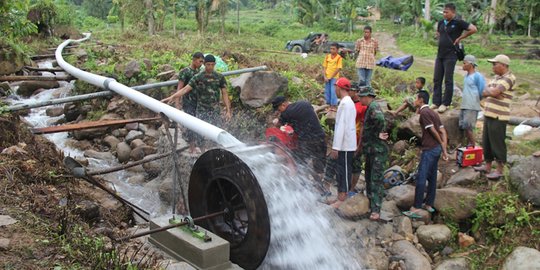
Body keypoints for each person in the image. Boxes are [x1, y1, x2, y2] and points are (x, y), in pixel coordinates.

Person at [162, 54, 232, 147]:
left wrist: (228, 110)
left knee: (216, 132)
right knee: (200, 134)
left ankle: (214, 151)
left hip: (215, 110)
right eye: (208, 64)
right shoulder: (198, 77)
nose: (210, 67)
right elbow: (185, 89)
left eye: (212, 64)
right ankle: (202, 152)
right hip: (201, 110)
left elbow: (224, 93)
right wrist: (173, 97)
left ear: (214, 64)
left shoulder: (219, 77)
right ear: (204, 64)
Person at [403, 90, 448, 219]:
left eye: (416, 98)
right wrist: (443, 148)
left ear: (421, 100)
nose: (415, 101)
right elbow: (443, 131)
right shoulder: (433, 112)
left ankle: (416, 207)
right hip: (436, 149)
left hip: (430, 148)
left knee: (421, 177)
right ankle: (428, 204)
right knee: (432, 176)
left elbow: (432, 130)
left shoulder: (424, 113)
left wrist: (440, 144)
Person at [473, 54, 516, 180]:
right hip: (489, 113)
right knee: (486, 141)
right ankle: (487, 165)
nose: (492, 67)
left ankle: (499, 170)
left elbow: (492, 92)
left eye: (494, 64)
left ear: (503, 65)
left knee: (497, 142)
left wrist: (492, 92)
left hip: (499, 115)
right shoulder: (496, 78)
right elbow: (484, 91)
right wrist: (494, 93)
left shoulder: (509, 78)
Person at [432, 3, 477, 113]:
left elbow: (473, 29)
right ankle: (436, 102)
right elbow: (438, 33)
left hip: (451, 55)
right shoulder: (441, 23)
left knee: (448, 79)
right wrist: (439, 38)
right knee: (437, 79)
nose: (444, 14)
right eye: (444, 12)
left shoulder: (458, 22)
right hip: (440, 54)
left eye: (447, 12)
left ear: (453, 12)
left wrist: (460, 38)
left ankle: (445, 103)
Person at [272, 96, 327, 183]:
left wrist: (276, 122)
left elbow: (279, 126)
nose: (279, 112)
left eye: (278, 110)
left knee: (300, 162)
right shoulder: (304, 103)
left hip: (307, 141)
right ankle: (320, 188)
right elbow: (314, 116)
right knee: (319, 167)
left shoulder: (286, 113)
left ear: (283, 105)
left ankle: (302, 185)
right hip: (320, 138)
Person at [358, 86, 388, 221]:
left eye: (361, 97)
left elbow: (381, 119)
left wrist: (377, 134)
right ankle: (370, 201)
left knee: (375, 179)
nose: (360, 99)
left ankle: (376, 209)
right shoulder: (370, 107)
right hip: (371, 150)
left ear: (367, 96)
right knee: (369, 175)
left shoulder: (374, 107)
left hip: (377, 151)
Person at [328, 77, 357, 208]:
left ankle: (342, 197)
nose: (334, 89)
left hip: (345, 144)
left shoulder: (345, 104)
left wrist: (336, 147)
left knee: (344, 170)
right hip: (345, 143)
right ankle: (340, 194)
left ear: (339, 88)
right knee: (341, 169)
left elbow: (341, 126)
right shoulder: (347, 102)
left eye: (335, 87)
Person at [173, 52, 204, 153]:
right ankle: (191, 147)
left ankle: (197, 145)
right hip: (188, 102)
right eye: (200, 61)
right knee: (191, 124)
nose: (201, 64)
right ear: (194, 60)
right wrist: (177, 105)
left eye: (202, 62)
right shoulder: (185, 72)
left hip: (198, 103)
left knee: (198, 124)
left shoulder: (199, 72)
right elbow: (180, 88)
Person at [460, 54, 485, 147]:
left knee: (468, 127)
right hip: (465, 104)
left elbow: (482, 90)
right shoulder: (466, 76)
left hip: (472, 105)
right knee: (464, 126)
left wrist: (476, 100)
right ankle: (467, 144)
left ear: (470, 64)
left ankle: (473, 146)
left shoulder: (477, 76)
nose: (463, 65)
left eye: (464, 63)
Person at [322, 43, 343, 112]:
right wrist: (325, 76)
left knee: (333, 91)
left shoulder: (339, 58)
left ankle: (333, 105)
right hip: (327, 77)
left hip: (334, 77)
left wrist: (331, 77)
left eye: (333, 49)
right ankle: (328, 104)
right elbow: (324, 67)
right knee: (327, 90)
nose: (332, 50)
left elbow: (338, 69)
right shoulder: (327, 56)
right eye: (331, 49)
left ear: (337, 50)